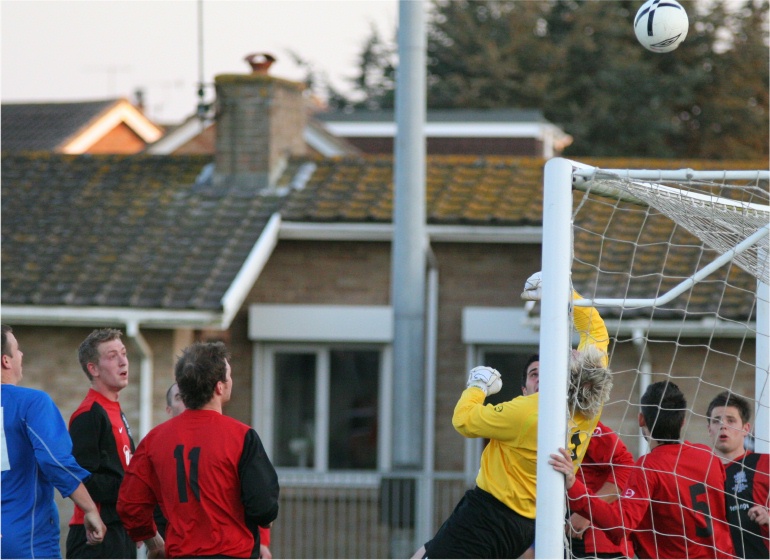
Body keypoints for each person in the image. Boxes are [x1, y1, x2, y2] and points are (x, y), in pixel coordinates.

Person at [412, 274, 613, 559]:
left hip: (488, 515)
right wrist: (566, 295)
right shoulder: (592, 397)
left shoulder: (530, 410)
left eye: (570, 356)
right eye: (534, 374)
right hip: (528, 524)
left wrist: (478, 385)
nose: (570, 351)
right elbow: (596, 331)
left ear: (565, 377)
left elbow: (464, 420)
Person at [117, 341, 279, 559]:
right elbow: (264, 507)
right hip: (232, 553)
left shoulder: (154, 440)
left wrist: (151, 539)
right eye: (228, 375)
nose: (230, 381)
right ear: (220, 387)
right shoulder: (242, 437)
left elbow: (130, 505)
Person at [550, 380, 736, 559]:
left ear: (641, 419)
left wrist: (574, 487)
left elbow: (619, 525)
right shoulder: (708, 456)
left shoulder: (649, 467)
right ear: (683, 421)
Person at [1, 324, 107, 558]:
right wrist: (89, 508)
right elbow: (55, 460)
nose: (21, 355)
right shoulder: (31, 402)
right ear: (5, 360)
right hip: (23, 537)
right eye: (17, 349)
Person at [520, 355, 636, 559]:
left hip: (596, 544)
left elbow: (626, 464)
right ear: (524, 391)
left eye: (547, 373)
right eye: (534, 374)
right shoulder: (521, 429)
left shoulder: (576, 423)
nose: (541, 379)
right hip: (555, 540)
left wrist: (587, 511)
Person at [157, 381, 275, 559]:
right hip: (179, 549)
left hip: (226, 549)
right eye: (179, 397)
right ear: (168, 409)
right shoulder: (156, 445)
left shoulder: (228, 437)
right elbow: (141, 500)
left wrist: (263, 541)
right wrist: (153, 539)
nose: (185, 402)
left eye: (186, 396)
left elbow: (253, 492)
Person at [67, 328, 137, 559]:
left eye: (124, 353)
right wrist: (130, 492)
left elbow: (129, 470)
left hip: (120, 530)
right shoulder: (89, 414)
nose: (122, 361)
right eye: (112, 356)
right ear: (93, 369)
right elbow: (82, 477)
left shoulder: (115, 410)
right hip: (96, 535)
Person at [706, 391, 769, 558]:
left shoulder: (764, 464)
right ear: (709, 429)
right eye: (716, 421)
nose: (723, 426)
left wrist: (768, 518)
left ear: (745, 429)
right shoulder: (700, 474)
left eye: (731, 420)